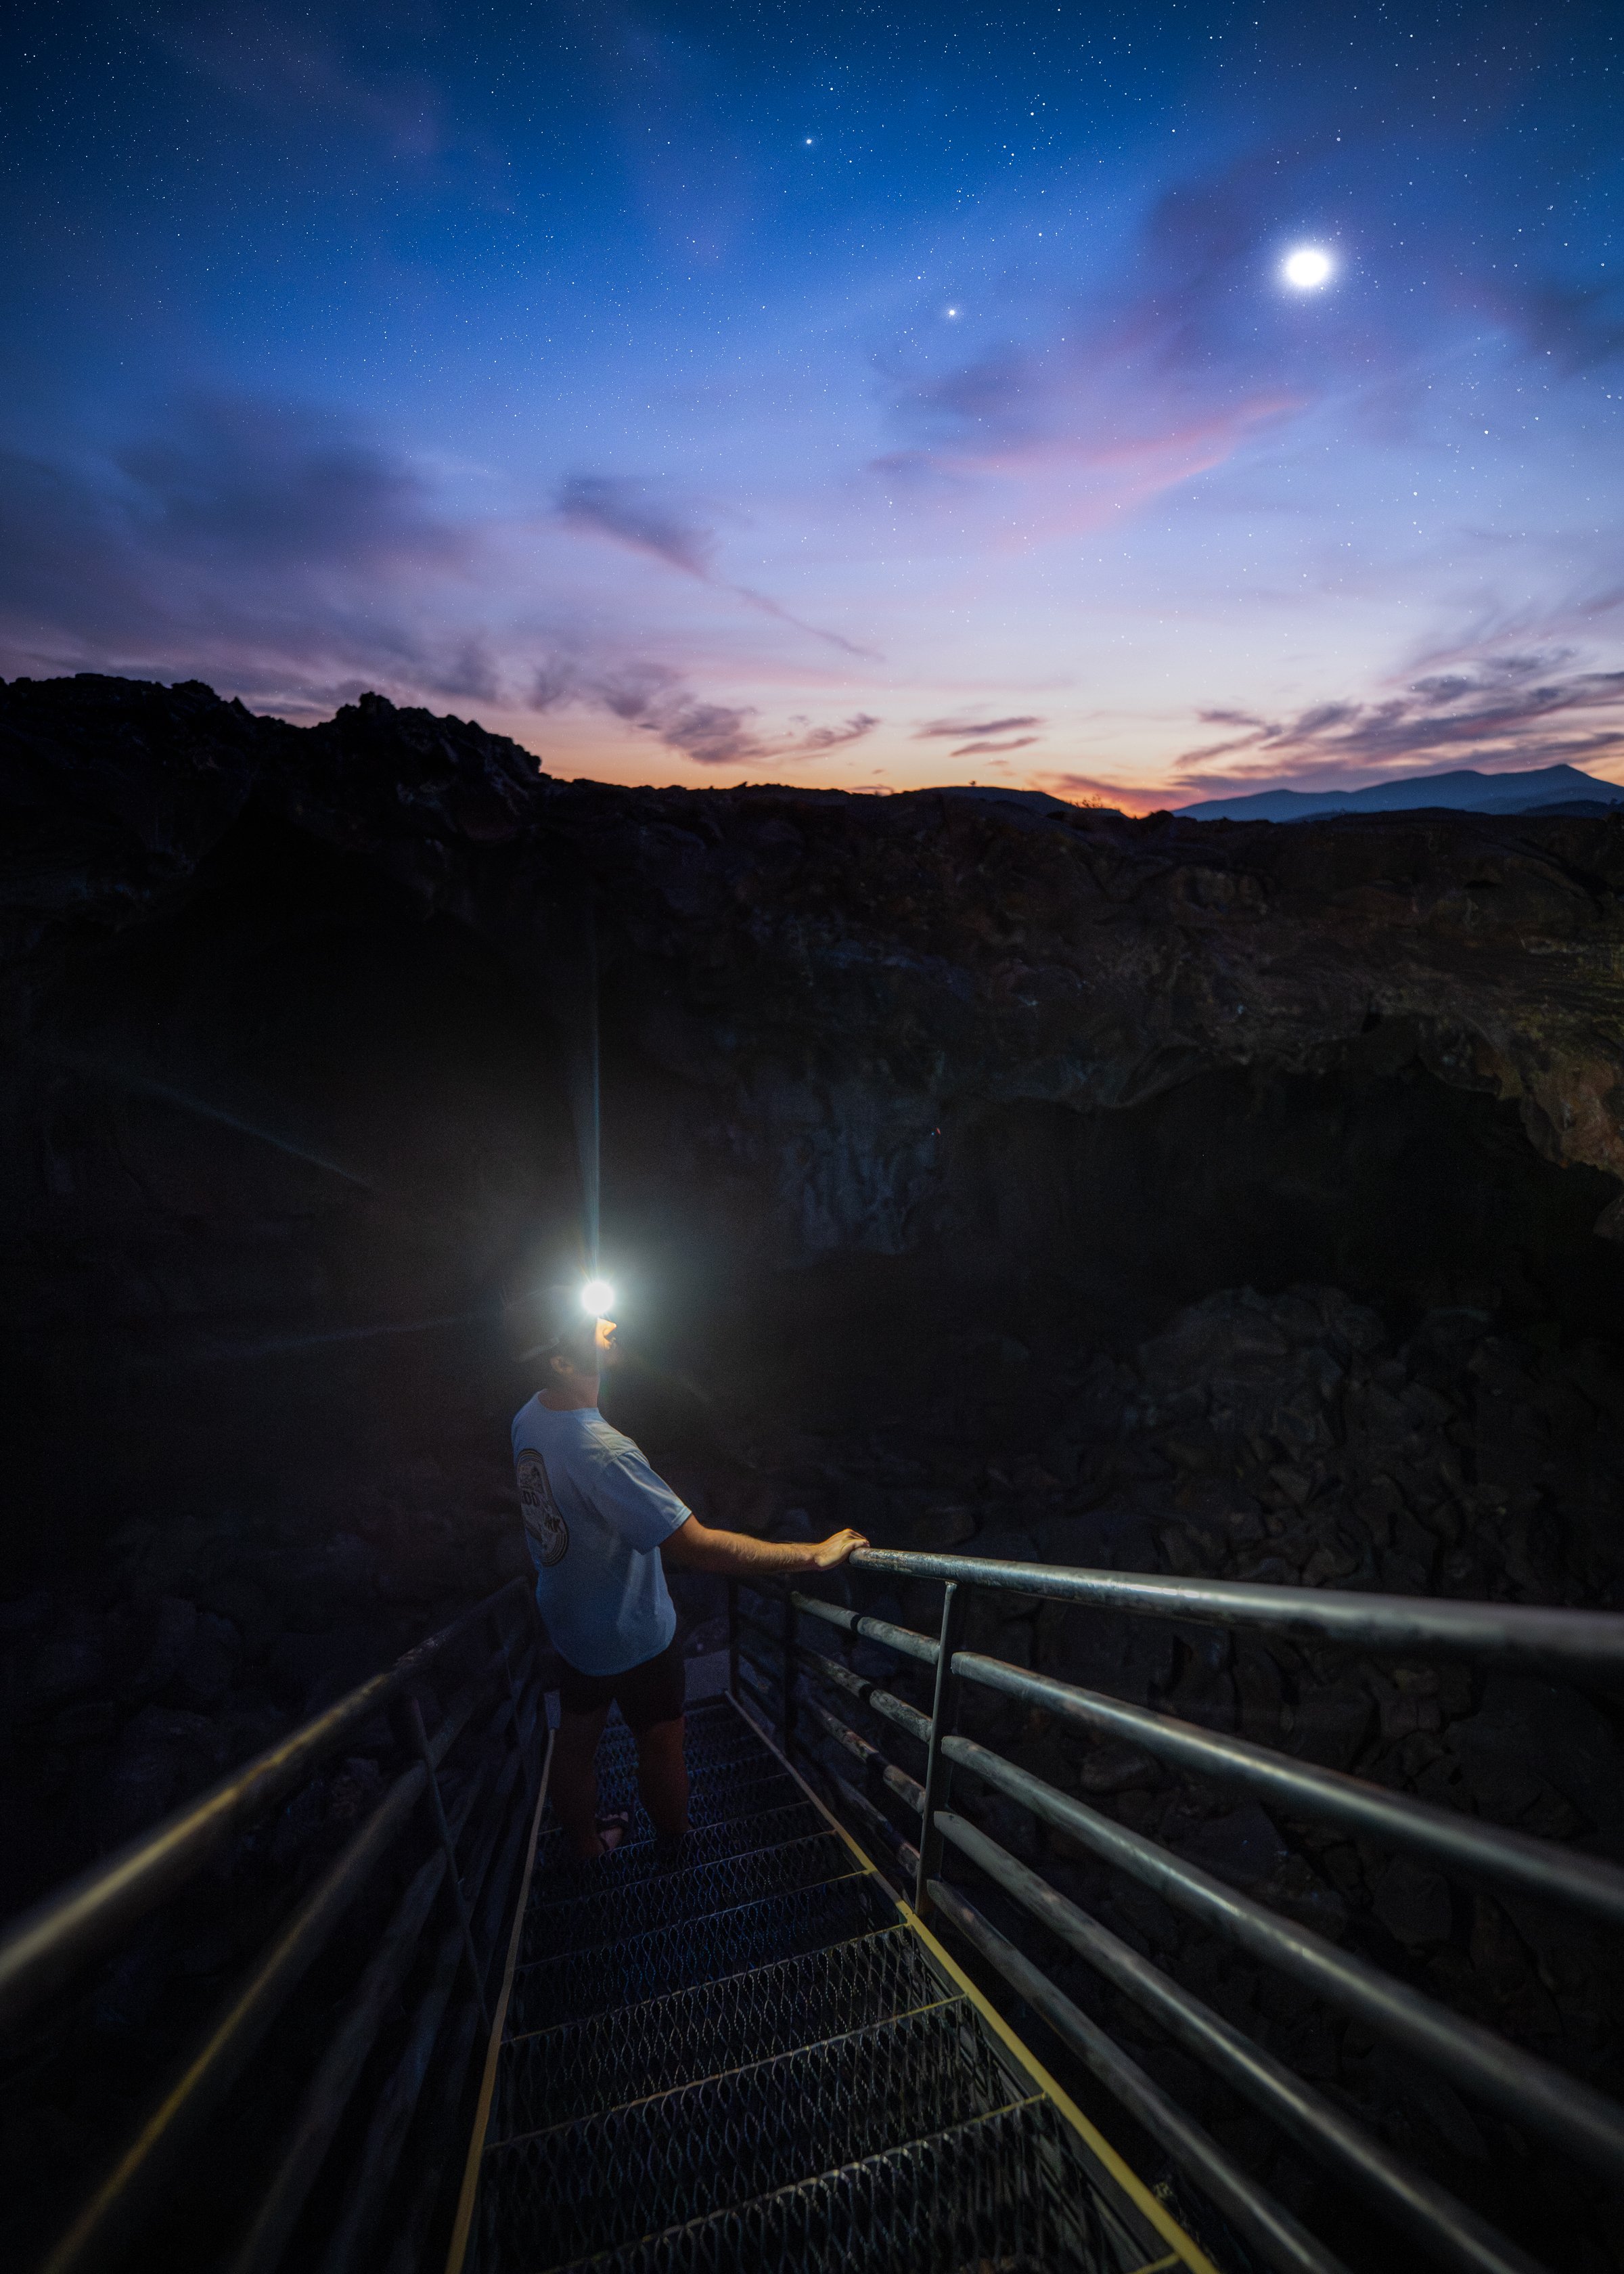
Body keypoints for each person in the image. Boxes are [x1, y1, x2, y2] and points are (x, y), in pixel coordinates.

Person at [512, 1308, 867, 1859]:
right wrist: (810, 1555)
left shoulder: (529, 1418)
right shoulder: (603, 1451)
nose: (607, 1323)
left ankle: (584, 1846)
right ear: (562, 1360)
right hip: (632, 1634)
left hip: (568, 1618)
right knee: (661, 1739)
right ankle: (676, 1848)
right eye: (590, 1325)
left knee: (577, 1739)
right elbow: (696, 1547)